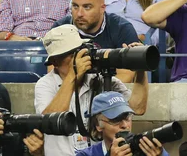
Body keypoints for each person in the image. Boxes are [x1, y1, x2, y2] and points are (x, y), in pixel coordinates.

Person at [35, 25, 149, 156]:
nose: (79, 57)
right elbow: (50, 122)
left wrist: (140, 69)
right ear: (55, 61)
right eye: (72, 54)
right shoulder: (46, 84)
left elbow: (137, 108)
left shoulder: (98, 78)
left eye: (80, 51)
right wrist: (73, 75)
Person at [53, 0, 141, 82]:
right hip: (72, 93)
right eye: (75, 6)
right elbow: (54, 74)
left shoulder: (122, 29)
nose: (79, 14)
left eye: (87, 7)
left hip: (110, 93)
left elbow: (126, 75)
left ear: (102, 8)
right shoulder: (59, 30)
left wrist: (95, 93)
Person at [80, 91, 167, 156]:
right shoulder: (85, 155)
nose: (125, 125)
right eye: (115, 120)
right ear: (98, 125)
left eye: (127, 118)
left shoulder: (148, 149)